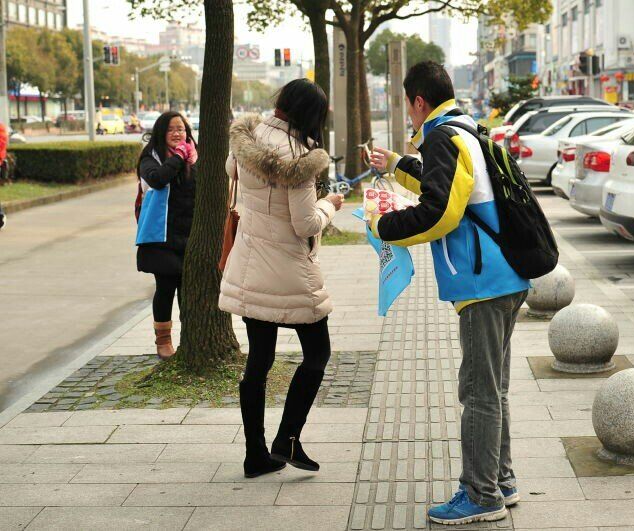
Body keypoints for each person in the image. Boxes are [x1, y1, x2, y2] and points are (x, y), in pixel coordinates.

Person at [368, 61, 530, 525]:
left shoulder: (443, 136)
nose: (410, 114)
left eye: (408, 106)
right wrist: (397, 166)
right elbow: (446, 184)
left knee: (478, 392)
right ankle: (501, 480)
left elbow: (440, 212)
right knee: (493, 389)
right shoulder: (466, 128)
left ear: (419, 101)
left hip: (482, 283)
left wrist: (383, 226)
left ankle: (481, 495)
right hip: (505, 275)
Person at [219, 79, 344, 478]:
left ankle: (255, 454)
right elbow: (304, 223)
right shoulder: (299, 159)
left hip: (250, 265)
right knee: (317, 353)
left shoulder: (248, 138)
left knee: (259, 361)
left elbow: (231, 171)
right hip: (289, 271)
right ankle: (287, 438)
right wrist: (330, 205)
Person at [136, 111, 197, 359]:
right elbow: (158, 180)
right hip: (162, 234)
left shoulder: (196, 155)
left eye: (181, 129)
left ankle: (190, 340)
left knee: (188, 289)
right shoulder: (150, 158)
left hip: (190, 233)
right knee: (165, 287)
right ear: (161, 132)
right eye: (171, 129)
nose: (177, 134)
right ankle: (163, 341)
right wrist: (179, 157)